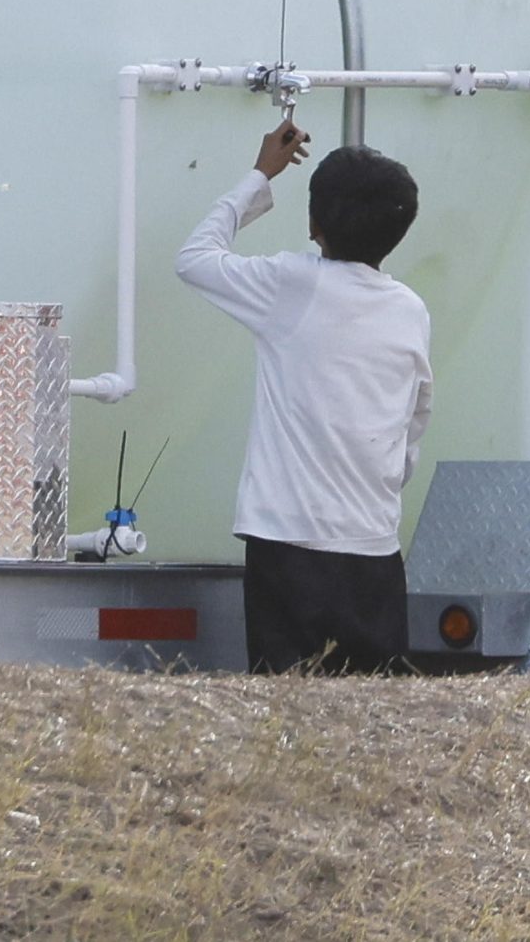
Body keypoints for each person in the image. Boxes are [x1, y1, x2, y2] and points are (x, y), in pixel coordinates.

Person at [176, 119, 433, 674]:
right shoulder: (409, 310)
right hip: (374, 547)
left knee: (287, 705)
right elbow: (415, 418)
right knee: (376, 707)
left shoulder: (291, 283)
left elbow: (194, 257)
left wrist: (260, 175)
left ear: (314, 225)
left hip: (287, 543)